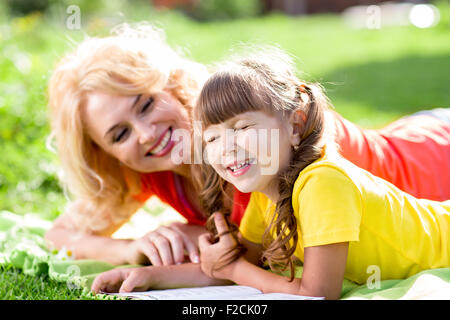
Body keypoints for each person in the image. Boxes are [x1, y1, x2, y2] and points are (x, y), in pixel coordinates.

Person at [46, 23, 450, 269]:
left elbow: (259, 256)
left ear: (172, 85)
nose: (146, 134)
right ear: (106, 154)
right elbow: (62, 236)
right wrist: (130, 247)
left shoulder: (250, 136)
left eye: (146, 104)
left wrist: (194, 232)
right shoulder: (146, 170)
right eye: (119, 135)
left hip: (436, 156)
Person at [194, 50, 450, 299]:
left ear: (295, 125)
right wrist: (156, 276)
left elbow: (317, 294)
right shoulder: (266, 191)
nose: (226, 147)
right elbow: (231, 264)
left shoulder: (323, 182)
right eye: (212, 138)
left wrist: (233, 269)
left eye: (242, 127)